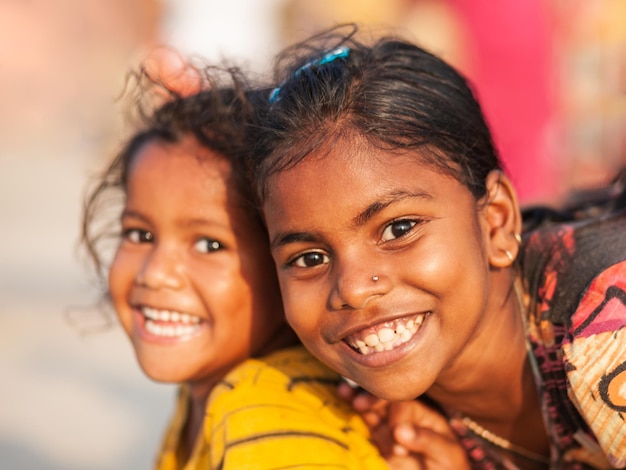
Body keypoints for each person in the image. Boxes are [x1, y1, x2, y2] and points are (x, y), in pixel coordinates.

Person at [249, 25, 626, 469]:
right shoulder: (390, 417)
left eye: (398, 229)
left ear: (496, 222)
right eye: (310, 258)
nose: (352, 288)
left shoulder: (606, 318)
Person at [80, 58, 391, 469]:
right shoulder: (213, 391)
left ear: (289, 266)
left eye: (209, 244)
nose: (155, 272)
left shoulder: (262, 415)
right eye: (140, 235)